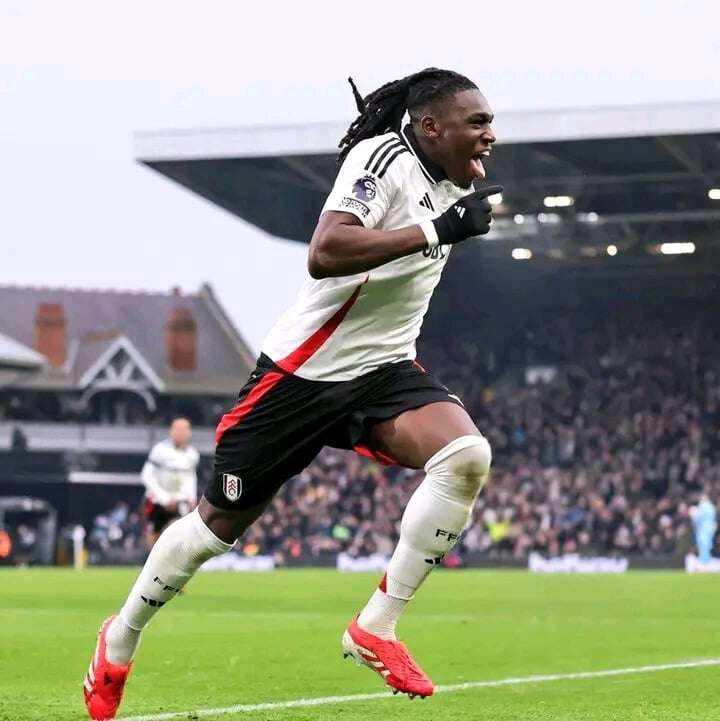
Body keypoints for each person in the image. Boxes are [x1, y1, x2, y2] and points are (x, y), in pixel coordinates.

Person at [83, 67, 500, 719]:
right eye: (477, 122)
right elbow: (325, 250)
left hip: (383, 371)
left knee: (467, 455)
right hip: (300, 377)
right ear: (430, 127)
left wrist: (445, 223)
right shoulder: (381, 158)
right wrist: (436, 231)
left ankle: (376, 627)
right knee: (211, 531)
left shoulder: (448, 183)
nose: (489, 135)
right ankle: (120, 636)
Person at [140, 417, 199, 549]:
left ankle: (173, 563)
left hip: (180, 500)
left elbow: (191, 478)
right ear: (171, 431)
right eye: (177, 429)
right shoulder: (160, 450)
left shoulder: (192, 454)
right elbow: (147, 475)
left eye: (185, 429)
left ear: (189, 433)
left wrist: (191, 498)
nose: (181, 432)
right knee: (154, 531)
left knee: (181, 531)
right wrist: (164, 499)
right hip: (157, 500)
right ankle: (151, 563)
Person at [690, 493, 717, 565]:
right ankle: (705, 560)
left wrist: (693, 513)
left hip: (703, 529)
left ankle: (704, 561)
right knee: (706, 545)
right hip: (709, 528)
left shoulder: (703, 506)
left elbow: (697, 518)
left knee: (703, 545)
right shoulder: (711, 507)